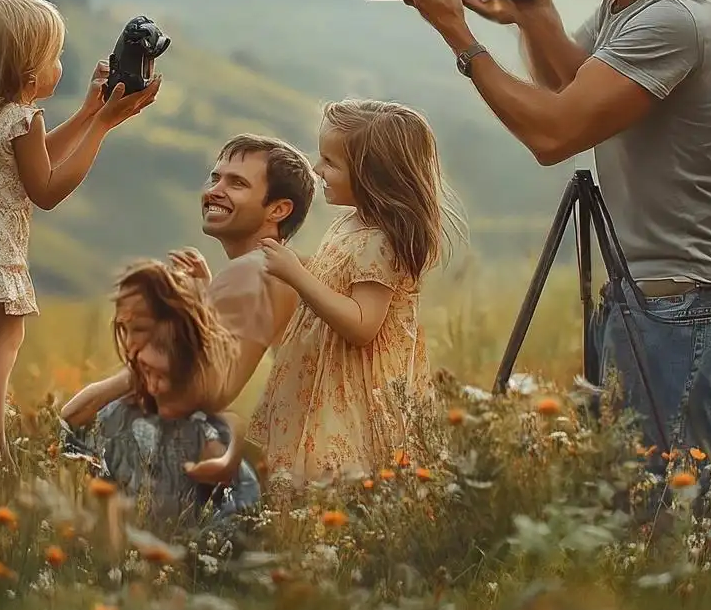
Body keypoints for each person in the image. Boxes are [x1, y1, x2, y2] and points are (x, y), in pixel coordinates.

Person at [399, 0, 711, 463]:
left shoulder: (673, 18)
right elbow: (571, 85)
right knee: (635, 494)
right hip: (649, 289)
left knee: (670, 502)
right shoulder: (630, 1)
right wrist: (535, 14)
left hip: (681, 297)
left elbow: (556, 134)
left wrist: (460, 36)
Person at [0, 0, 159, 439]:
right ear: (29, 74)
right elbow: (46, 189)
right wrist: (100, 126)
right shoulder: (25, 119)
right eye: (54, 56)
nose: (60, 65)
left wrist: (87, 111)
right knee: (4, 341)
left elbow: (31, 160)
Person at [250, 101, 460, 482]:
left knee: (343, 481)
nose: (317, 169)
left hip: (355, 392)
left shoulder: (380, 242)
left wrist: (297, 275)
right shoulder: (349, 224)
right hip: (323, 382)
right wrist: (290, 265)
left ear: (371, 176)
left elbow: (363, 326)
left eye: (330, 162)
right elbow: (333, 283)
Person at [60, 258, 260, 530]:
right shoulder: (121, 410)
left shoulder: (202, 427)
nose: (130, 343)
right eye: (124, 329)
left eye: (140, 329)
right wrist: (138, 373)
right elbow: (69, 419)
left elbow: (238, 514)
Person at [182, 134, 318, 399]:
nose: (214, 191)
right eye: (215, 178)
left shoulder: (255, 269)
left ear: (278, 210)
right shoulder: (283, 270)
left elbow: (211, 390)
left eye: (237, 183)